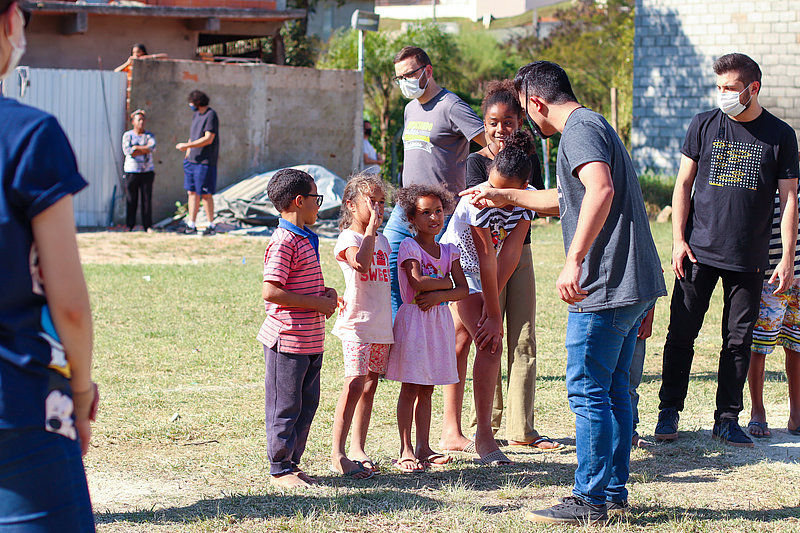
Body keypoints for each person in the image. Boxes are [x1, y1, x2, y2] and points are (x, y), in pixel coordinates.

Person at [462, 60, 666, 523]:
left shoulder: (577, 129)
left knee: (588, 390)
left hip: (606, 282)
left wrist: (573, 259)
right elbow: (568, 198)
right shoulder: (592, 126)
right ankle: (611, 492)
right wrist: (505, 196)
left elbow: (600, 189)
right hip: (630, 281)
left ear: (536, 102)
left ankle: (589, 499)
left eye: (526, 112)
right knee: (612, 389)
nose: (529, 125)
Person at [655, 53, 799, 449]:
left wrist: (785, 258)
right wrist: (678, 240)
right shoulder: (703, 124)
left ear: (753, 89)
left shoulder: (781, 136)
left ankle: (727, 418)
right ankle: (669, 410)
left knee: (738, 341)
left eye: (730, 89)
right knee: (681, 334)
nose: (722, 95)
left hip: (749, 258)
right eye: (718, 88)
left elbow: (789, 202)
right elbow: (683, 185)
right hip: (698, 251)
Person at [0, 1, 98, 530]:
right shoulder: (29, 136)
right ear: (11, 21)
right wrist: (79, 390)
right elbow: (69, 305)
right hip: (17, 405)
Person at [457, 80, 561, 452]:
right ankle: (485, 424)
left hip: (517, 256)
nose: (501, 130)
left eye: (509, 123)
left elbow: (523, 225)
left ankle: (523, 427)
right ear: (483, 123)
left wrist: (496, 306)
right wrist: (491, 306)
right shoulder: (475, 163)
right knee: (486, 337)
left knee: (524, 337)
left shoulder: (527, 162)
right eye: (493, 122)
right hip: (481, 261)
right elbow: (483, 244)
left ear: (520, 123)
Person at [440, 131, 539, 466]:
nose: (493, 197)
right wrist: (493, 315)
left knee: (462, 339)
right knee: (490, 343)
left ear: (522, 189)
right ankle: (483, 435)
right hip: (458, 268)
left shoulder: (529, 200)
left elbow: (510, 252)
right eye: (491, 186)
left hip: (488, 268)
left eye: (503, 193)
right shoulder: (476, 200)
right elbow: (484, 256)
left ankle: (451, 433)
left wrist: (492, 304)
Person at [384, 45, 485, 320]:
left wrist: (485, 182)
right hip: (404, 211)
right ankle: (400, 338)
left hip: (438, 213)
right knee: (392, 273)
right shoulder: (409, 109)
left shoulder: (451, 105)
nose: (404, 82)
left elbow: (488, 143)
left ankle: (430, 343)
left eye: (408, 75)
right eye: (399, 78)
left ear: (427, 71)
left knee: (431, 283)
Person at [258, 168, 338, 489]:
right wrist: (316, 304)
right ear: (299, 200)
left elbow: (300, 285)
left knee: (306, 404)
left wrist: (325, 294)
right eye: (316, 199)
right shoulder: (283, 240)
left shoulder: (305, 237)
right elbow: (271, 291)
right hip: (287, 340)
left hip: (309, 340)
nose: (319, 205)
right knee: (285, 404)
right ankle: (279, 468)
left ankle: (292, 462)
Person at [385, 184, 469, 472]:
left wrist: (440, 294)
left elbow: (463, 289)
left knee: (428, 387)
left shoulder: (449, 250)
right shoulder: (409, 246)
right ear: (411, 218)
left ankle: (424, 447)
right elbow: (417, 282)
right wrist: (446, 283)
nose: (434, 218)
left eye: (438, 212)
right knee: (410, 386)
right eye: (425, 213)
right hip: (414, 323)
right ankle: (406, 449)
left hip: (438, 324)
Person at [329, 174, 392, 479]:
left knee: (370, 385)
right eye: (371, 201)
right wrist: (370, 230)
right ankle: (337, 453)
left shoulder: (385, 240)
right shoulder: (349, 238)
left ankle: (357, 448)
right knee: (354, 383)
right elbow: (362, 264)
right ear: (351, 206)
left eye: (382, 201)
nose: (378, 207)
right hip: (356, 324)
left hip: (380, 324)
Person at [747, 172, 800, 438]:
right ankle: (758, 411)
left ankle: (796, 415)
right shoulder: (771, 178)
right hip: (772, 275)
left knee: (797, 347)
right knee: (759, 346)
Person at [175, 90, 219, 236]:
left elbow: (208, 139)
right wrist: (188, 154)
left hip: (205, 162)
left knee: (205, 194)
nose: (190, 105)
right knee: (192, 192)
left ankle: (211, 225)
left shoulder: (210, 115)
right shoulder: (196, 115)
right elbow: (192, 137)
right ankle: (191, 224)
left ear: (198, 102)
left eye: (192, 102)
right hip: (191, 161)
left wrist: (187, 146)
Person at [121, 109, 156, 231]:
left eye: (143, 120)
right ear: (133, 122)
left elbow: (152, 147)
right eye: (138, 120)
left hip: (147, 171)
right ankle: (130, 225)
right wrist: (141, 149)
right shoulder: (128, 135)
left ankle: (148, 225)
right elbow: (129, 151)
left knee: (146, 199)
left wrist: (136, 148)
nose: (141, 122)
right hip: (132, 171)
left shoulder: (149, 135)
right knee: (131, 198)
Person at [629, 307, 656, 448]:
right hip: (602, 312)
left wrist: (649, 316)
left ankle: (629, 432)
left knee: (630, 381)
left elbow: (652, 284)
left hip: (636, 314)